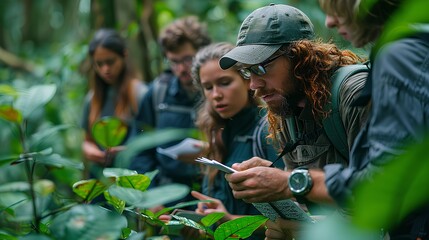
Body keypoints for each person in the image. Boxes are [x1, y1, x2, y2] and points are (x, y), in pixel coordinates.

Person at [219, 4, 369, 239]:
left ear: (300, 57)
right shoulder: (287, 107)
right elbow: (308, 202)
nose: (254, 85)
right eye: (248, 72)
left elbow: (384, 190)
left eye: (261, 67)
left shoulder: (354, 94)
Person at [319, 0, 429, 239]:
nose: (330, 21)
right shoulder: (417, 42)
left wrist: (296, 183)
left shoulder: (400, 55)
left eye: (337, 8)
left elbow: (388, 180)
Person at [185, 42, 283, 239]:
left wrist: (229, 220)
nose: (216, 95)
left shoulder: (268, 130)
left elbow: (296, 220)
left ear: (247, 80)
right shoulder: (214, 132)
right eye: (208, 87)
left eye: (224, 82)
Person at [130, 16, 211, 210]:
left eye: (188, 59)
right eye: (173, 61)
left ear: (203, 52)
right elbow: (139, 150)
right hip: (167, 197)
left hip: (210, 195)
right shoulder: (158, 93)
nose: (181, 69)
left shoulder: (218, 93)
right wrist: (150, 196)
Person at [81, 28, 147, 179]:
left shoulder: (140, 93)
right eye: (99, 64)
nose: (105, 69)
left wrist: (125, 150)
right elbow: (87, 141)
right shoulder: (92, 99)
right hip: (100, 178)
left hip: (131, 176)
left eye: (110, 62)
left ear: (124, 55)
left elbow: (150, 139)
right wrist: (92, 151)